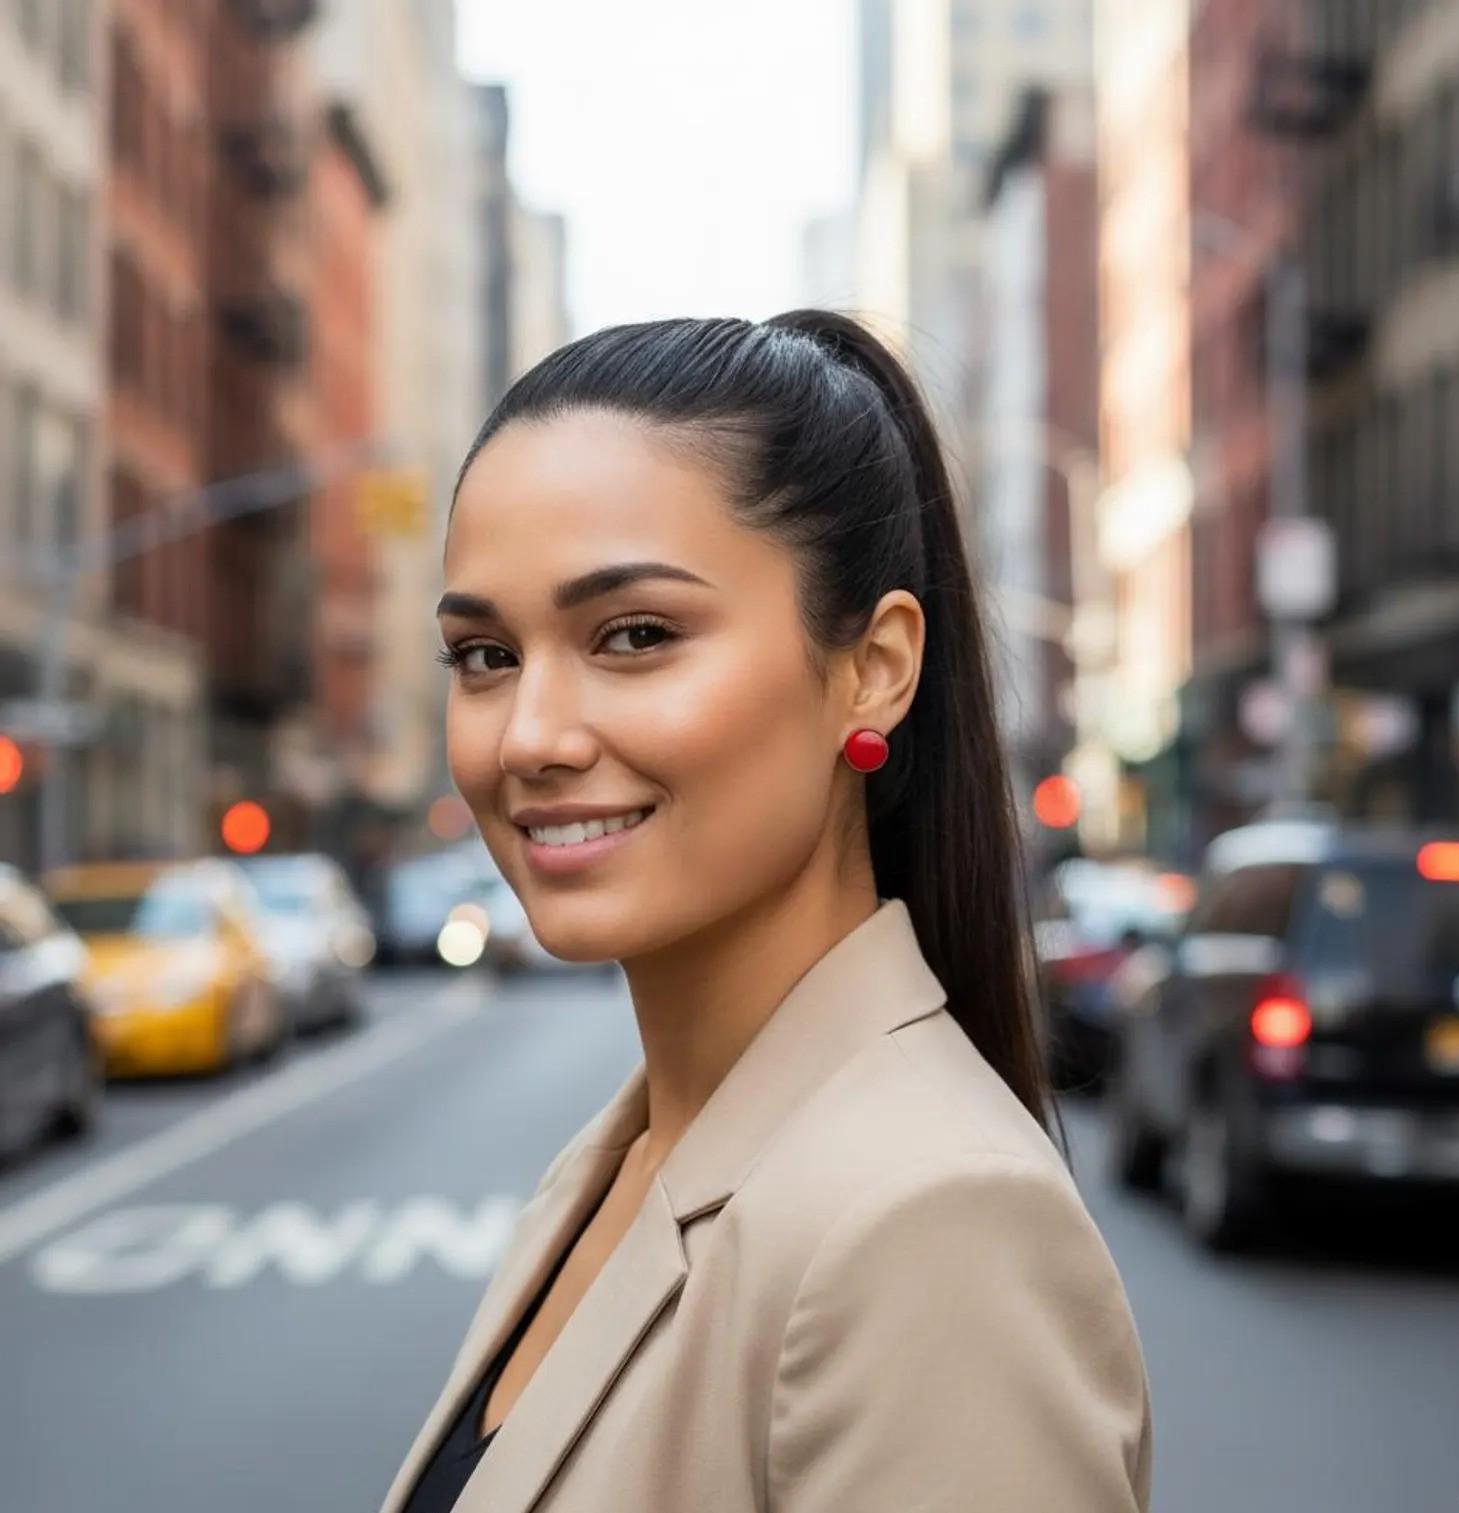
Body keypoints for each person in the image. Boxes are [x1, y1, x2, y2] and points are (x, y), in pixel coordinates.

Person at [379, 310, 1153, 1513]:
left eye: (634, 635)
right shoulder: (618, 1163)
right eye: (484, 655)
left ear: (874, 666)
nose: (528, 736)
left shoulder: (930, 1223)